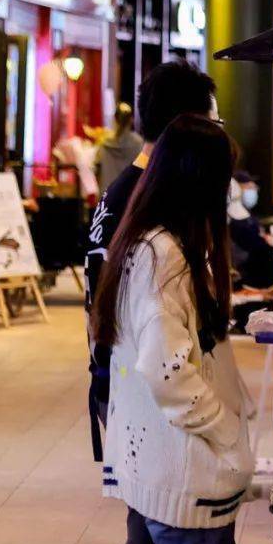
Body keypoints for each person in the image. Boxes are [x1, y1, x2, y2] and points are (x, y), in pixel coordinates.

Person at [91, 114, 252, 544]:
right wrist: (225, 430)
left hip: (158, 473)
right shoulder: (164, 255)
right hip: (184, 477)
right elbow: (166, 371)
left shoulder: (147, 242)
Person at [85, 60, 217, 457]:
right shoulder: (147, 200)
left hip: (118, 377)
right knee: (161, 512)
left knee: (145, 512)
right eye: (211, 122)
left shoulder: (125, 189)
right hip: (140, 386)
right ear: (186, 126)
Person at [228, 171, 273, 291]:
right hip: (245, 275)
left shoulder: (245, 213)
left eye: (254, 187)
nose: (253, 190)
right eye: (249, 187)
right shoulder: (234, 222)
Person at [95, 103, 145, 196]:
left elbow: (96, 171)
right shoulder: (138, 144)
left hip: (107, 199)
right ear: (131, 119)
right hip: (129, 198)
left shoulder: (104, 144)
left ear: (115, 119)